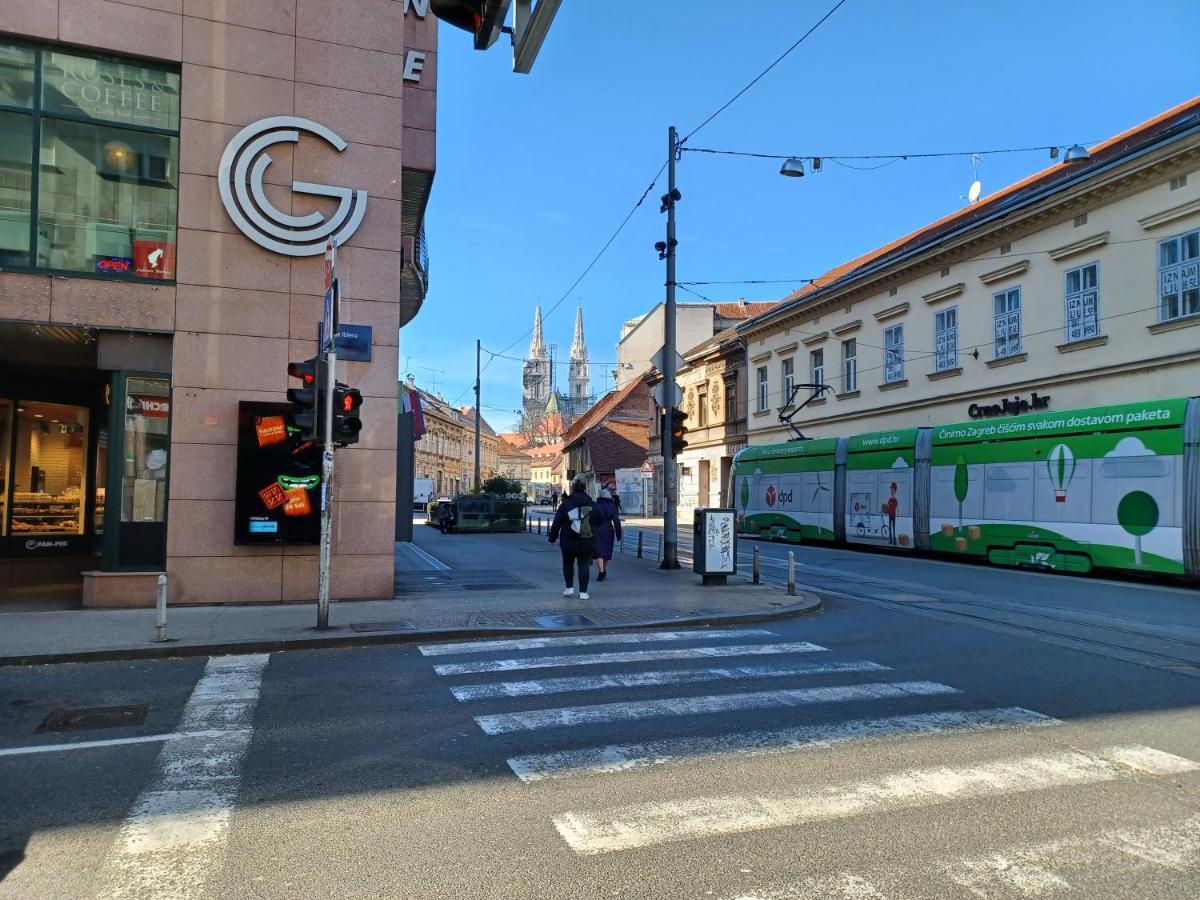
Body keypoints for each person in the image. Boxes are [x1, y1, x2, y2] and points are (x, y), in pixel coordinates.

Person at [548, 476, 602, 600]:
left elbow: (557, 522)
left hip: (568, 540)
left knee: (567, 563)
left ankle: (569, 588)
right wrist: (591, 528)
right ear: (585, 488)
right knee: (583, 564)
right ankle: (583, 592)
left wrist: (552, 537)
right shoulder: (593, 504)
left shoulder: (566, 504)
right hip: (587, 540)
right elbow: (600, 520)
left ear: (572, 487)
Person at [593, 488, 622, 581]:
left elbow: (591, 519)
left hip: (597, 529)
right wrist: (618, 533)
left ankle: (601, 571)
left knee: (599, 552)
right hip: (608, 530)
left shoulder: (596, 505)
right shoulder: (612, 506)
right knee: (606, 551)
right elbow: (616, 521)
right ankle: (604, 570)